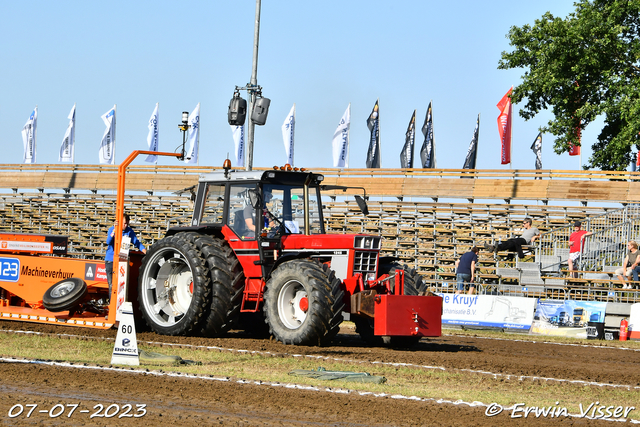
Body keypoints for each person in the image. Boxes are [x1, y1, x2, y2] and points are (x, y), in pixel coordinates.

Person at [105, 213, 146, 302]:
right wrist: (114, 230)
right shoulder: (112, 229)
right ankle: (112, 304)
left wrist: (144, 250)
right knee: (111, 284)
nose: (126, 225)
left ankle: (120, 304)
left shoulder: (129, 231)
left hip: (122, 260)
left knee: (121, 283)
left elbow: (136, 242)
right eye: (124, 223)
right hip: (110, 260)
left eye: (127, 223)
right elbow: (108, 241)